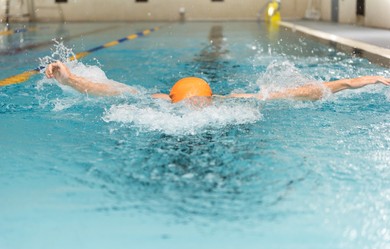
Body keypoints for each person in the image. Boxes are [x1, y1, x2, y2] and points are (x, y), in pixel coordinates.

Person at [45, 61, 390, 103]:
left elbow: (299, 92)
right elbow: (107, 89)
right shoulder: (233, 101)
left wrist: (358, 80)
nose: (195, 106)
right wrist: (71, 78)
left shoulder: (158, 103)